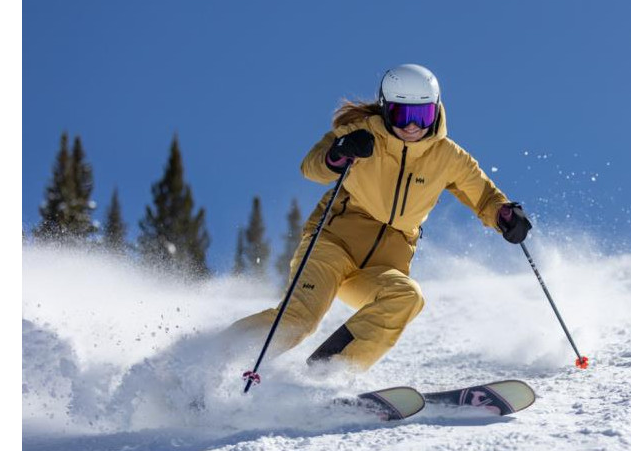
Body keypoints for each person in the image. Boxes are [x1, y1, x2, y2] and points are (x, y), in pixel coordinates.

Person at [226, 63, 532, 375]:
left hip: (382, 266)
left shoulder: (448, 156)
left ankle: (327, 373)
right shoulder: (362, 135)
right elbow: (312, 167)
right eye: (402, 115)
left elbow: (484, 196)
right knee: (299, 319)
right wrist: (338, 154)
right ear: (386, 110)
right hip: (332, 246)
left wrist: (504, 214)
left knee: (406, 297)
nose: (412, 126)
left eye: (422, 115)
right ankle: (215, 356)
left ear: (436, 111)